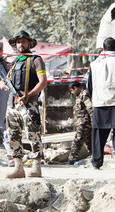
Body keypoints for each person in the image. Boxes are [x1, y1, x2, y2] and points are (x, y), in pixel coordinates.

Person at [0, 30, 47, 178]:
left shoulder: (36, 59)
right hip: (13, 104)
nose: (21, 44)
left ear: (29, 43)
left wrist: (29, 95)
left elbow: (43, 82)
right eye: (18, 42)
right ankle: (18, 167)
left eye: (24, 41)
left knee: (33, 134)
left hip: (29, 103)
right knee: (13, 135)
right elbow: (6, 79)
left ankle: (36, 167)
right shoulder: (15, 62)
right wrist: (2, 83)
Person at [88, 37, 115, 169]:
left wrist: (93, 97)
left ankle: (97, 162)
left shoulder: (95, 64)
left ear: (103, 48)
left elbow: (89, 86)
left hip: (100, 103)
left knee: (98, 134)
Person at [68, 81, 92, 165]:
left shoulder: (84, 95)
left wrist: (93, 121)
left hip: (84, 123)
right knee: (89, 142)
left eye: (71, 90)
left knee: (78, 140)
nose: (72, 93)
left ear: (76, 88)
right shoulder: (79, 96)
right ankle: (96, 157)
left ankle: (71, 160)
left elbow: (90, 108)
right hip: (82, 122)